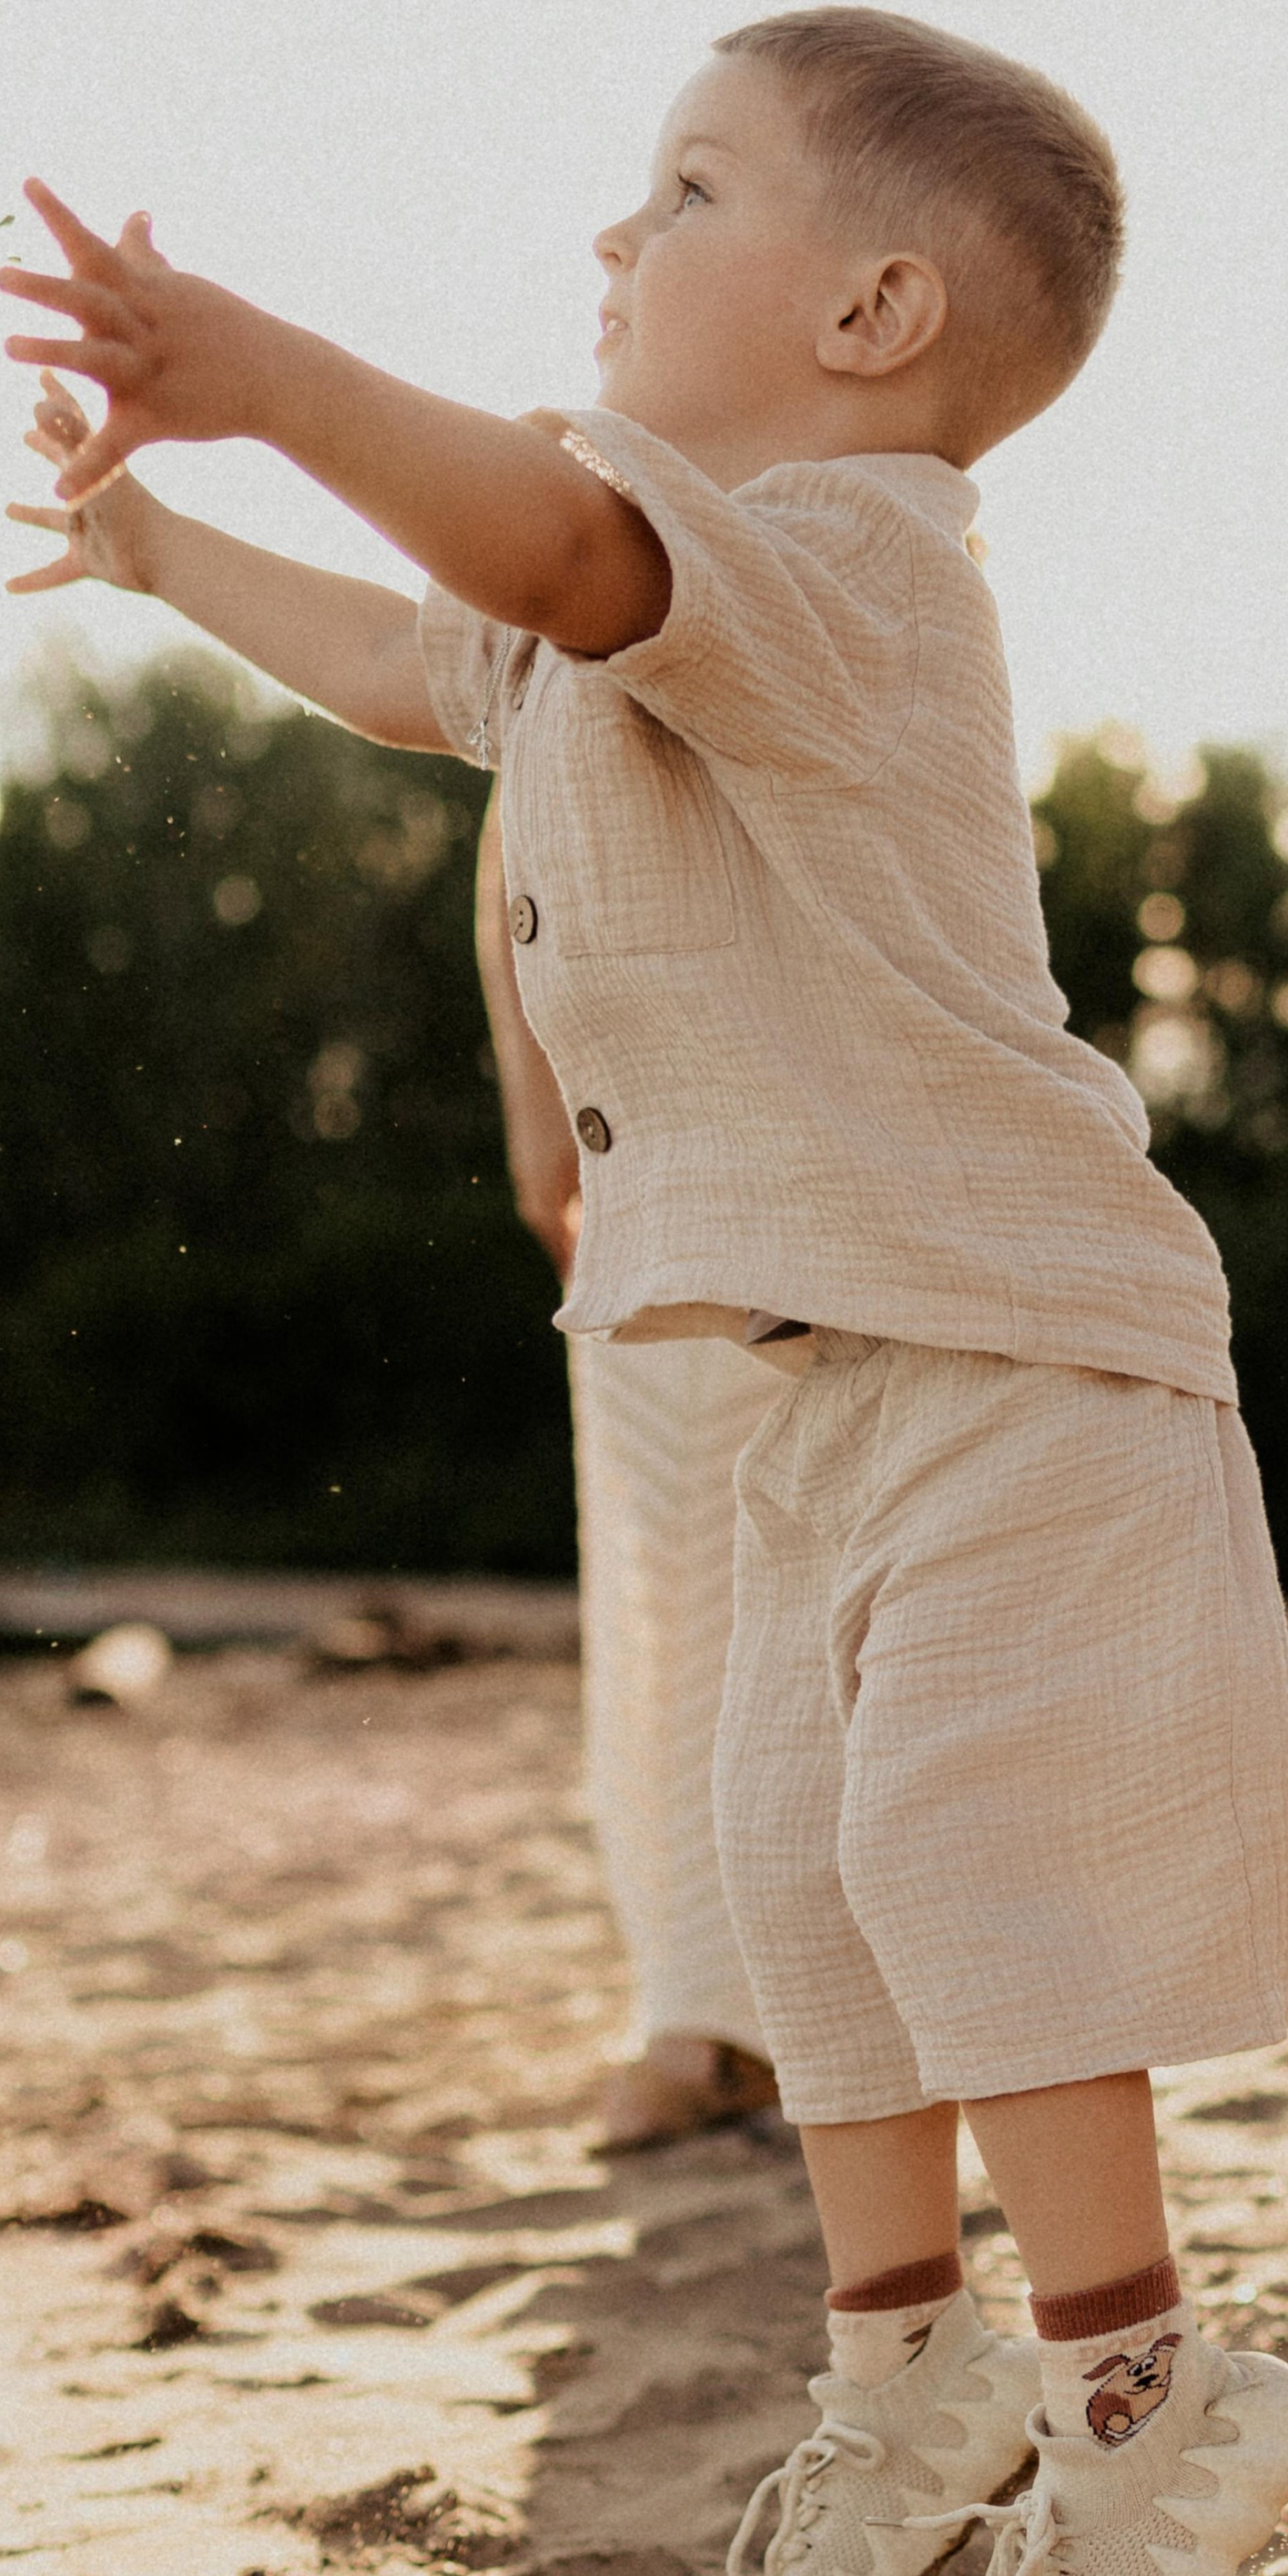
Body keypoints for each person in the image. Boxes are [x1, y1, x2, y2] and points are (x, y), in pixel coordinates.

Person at [0, 4, 1288, 2576]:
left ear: (866, 310)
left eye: (679, 188)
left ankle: (1136, 2379)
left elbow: (536, 536)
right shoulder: (626, 618)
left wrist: (258, 379)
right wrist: (155, 556)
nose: (611, 233)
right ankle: (900, 2365)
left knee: (962, 1857)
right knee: (787, 1869)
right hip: (822, 1374)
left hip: (1023, 1354)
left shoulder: (840, 564)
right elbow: (415, 650)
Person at [474, 791, 779, 2153]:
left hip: (802, 1114)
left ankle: (756, 2022)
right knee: (675, 1580)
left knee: (784, 1589)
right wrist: (538, 1114)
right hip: (654, 1139)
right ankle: (708, 2013)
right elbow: (520, 799)